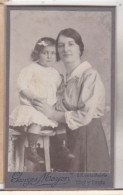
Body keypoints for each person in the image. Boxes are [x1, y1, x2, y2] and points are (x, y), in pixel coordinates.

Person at [33, 28, 110, 172]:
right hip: (68, 138)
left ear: (80, 48)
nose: (65, 49)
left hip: (88, 138)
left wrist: (52, 114)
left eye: (71, 44)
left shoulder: (89, 75)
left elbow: (84, 115)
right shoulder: (63, 79)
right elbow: (56, 107)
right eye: (61, 45)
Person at [9, 37, 62, 164]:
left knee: (61, 121)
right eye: (45, 53)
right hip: (31, 107)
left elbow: (58, 90)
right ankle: (31, 149)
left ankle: (62, 147)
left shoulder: (55, 73)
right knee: (36, 121)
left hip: (47, 109)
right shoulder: (30, 69)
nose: (49, 56)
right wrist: (33, 97)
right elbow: (22, 86)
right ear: (37, 54)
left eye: (53, 53)